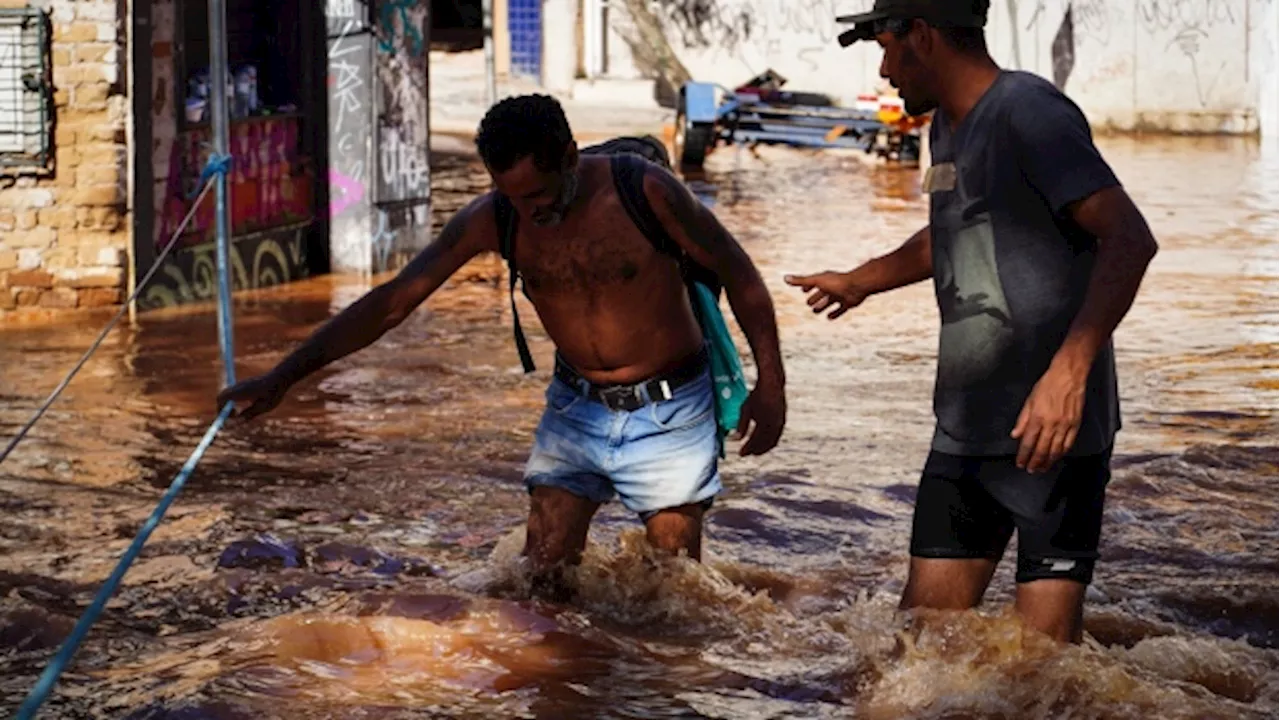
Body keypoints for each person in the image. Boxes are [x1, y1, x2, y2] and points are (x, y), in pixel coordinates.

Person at [216, 94, 788, 597]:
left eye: (536, 193)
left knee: (672, 593)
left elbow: (740, 276)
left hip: (671, 408)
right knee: (540, 578)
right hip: (576, 407)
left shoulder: (645, 191)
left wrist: (772, 386)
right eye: (509, 196)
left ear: (569, 156)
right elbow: (392, 303)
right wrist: (282, 378)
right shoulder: (496, 218)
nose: (526, 211)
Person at [786, 0, 1159, 643]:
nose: (882, 69)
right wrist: (860, 281)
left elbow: (1129, 237)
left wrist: (1067, 375)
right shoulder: (947, 127)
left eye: (885, 46)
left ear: (921, 37)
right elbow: (952, 231)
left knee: (1043, 665)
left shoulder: (1029, 113)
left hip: (1052, 434)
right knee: (917, 650)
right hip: (965, 427)